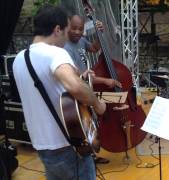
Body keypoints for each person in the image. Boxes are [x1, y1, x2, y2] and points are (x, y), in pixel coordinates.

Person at [12, 5, 109, 180]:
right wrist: (98, 105)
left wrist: (80, 75)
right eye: (65, 31)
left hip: (42, 146)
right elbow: (76, 87)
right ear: (57, 30)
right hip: (68, 144)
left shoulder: (19, 58)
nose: (66, 38)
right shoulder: (56, 53)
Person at [64, 14, 121, 164]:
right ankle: (87, 155)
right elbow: (79, 75)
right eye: (74, 28)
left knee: (115, 100)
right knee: (85, 123)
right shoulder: (66, 49)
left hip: (88, 87)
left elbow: (95, 48)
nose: (77, 32)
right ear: (67, 27)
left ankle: (91, 154)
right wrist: (106, 80)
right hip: (80, 89)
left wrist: (99, 33)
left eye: (80, 29)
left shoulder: (81, 41)